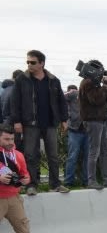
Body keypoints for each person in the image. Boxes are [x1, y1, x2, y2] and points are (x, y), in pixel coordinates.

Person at [10, 50, 69, 195]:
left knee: (53, 155)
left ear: (42, 63)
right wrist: (16, 121)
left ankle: (55, 184)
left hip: (50, 123)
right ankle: (31, 185)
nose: (29, 64)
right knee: (30, 155)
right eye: (28, 62)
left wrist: (64, 119)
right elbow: (14, 102)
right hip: (30, 123)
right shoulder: (21, 80)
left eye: (33, 62)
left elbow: (62, 101)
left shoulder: (54, 80)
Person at [0, 123, 41, 233]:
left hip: (14, 198)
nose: (10, 142)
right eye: (6, 139)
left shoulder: (18, 155)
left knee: (23, 229)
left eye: (12, 139)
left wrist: (26, 179)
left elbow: (25, 174)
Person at [78, 60, 107, 190]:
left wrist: (106, 85)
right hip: (93, 120)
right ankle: (91, 180)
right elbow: (96, 100)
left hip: (100, 120)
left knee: (104, 151)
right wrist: (106, 84)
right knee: (94, 151)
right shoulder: (87, 83)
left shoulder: (95, 83)